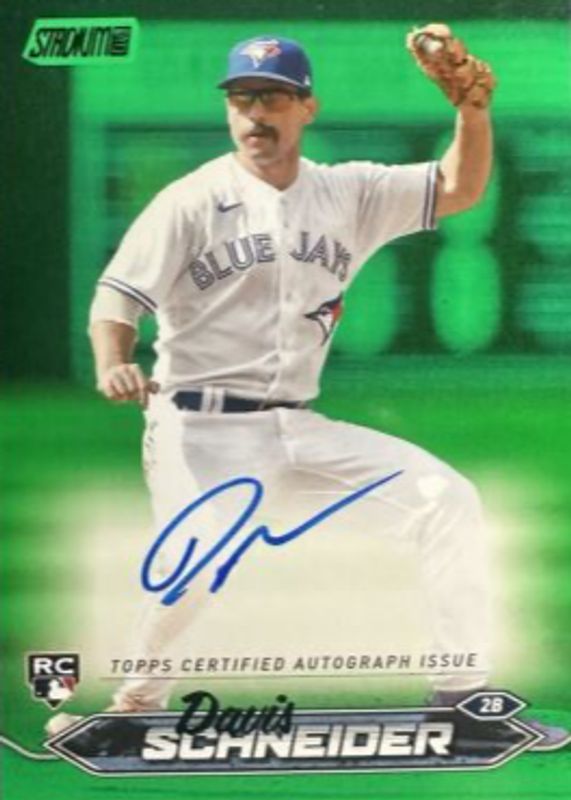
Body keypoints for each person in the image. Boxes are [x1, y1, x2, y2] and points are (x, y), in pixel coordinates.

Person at [49, 32, 568, 749]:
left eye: (271, 97)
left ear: (307, 108)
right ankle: (131, 711)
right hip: (198, 428)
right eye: (241, 98)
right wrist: (112, 360)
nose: (255, 113)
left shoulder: (347, 191)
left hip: (297, 427)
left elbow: (460, 189)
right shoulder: (190, 200)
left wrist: (471, 114)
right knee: (197, 562)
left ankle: (459, 704)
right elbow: (117, 295)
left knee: (446, 500)